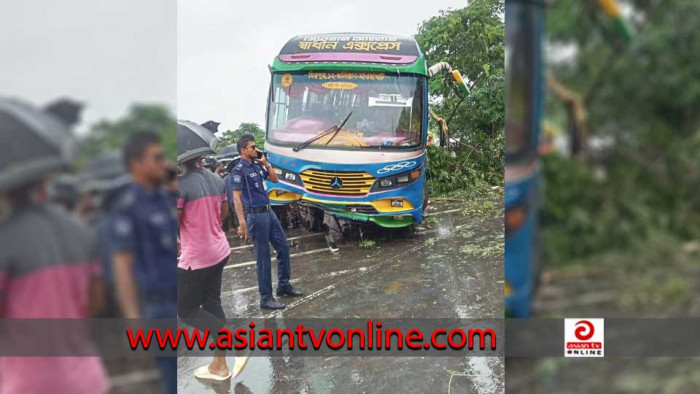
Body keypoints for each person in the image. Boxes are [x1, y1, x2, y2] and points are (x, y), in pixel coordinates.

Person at [0, 97, 108, 394]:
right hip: (87, 377)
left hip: (28, 383)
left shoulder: (7, 239)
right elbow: (95, 301)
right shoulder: (78, 228)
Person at [110, 131, 178, 394]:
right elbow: (122, 268)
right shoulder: (128, 207)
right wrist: (132, 320)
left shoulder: (163, 199)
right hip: (158, 305)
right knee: (170, 379)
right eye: (157, 158)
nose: (164, 163)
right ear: (137, 163)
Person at [177, 155, 248, 380]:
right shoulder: (216, 179)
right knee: (211, 304)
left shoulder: (180, 185)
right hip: (219, 250)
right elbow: (224, 214)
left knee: (186, 310)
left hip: (197, 258)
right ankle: (219, 365)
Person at [231, 135, 303, 310]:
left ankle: (283, 285)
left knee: (283, 248)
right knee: (263, 258)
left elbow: (274, 179)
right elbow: (236, 198)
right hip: (256, 216)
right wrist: (242, 222)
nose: (256, 150)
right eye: (253, 147)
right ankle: (266, 298)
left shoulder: (256, 165)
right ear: (243, 150)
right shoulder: (239, 170)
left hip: (269, 213)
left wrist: (266, 163)